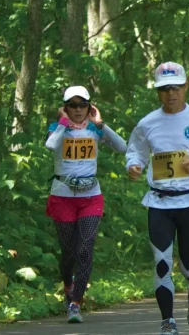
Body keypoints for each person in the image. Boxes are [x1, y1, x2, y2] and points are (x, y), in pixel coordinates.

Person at [126, 62, 189, 335]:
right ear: (158, 92)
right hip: (159, 202)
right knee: (161, 262)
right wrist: (133, 165)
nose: (170, 93)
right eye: (164, 89)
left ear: (186, 87)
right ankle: (168, 321)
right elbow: (134, 151)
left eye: (176, 87)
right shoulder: (147, 124)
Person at [45, 85, 126, 324]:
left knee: (85, 249)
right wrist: (62, 123)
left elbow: (122, 146)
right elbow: (50, 146)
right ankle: (68, 286)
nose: (78, 110)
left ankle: (76, 303)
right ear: (66, 108)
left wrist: (101, 124)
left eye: (82, 105)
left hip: (91, 197)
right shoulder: (57, 129)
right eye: (73, 105)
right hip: (62, 196)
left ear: (90, 107)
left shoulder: (94, 130)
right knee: (68, 251)